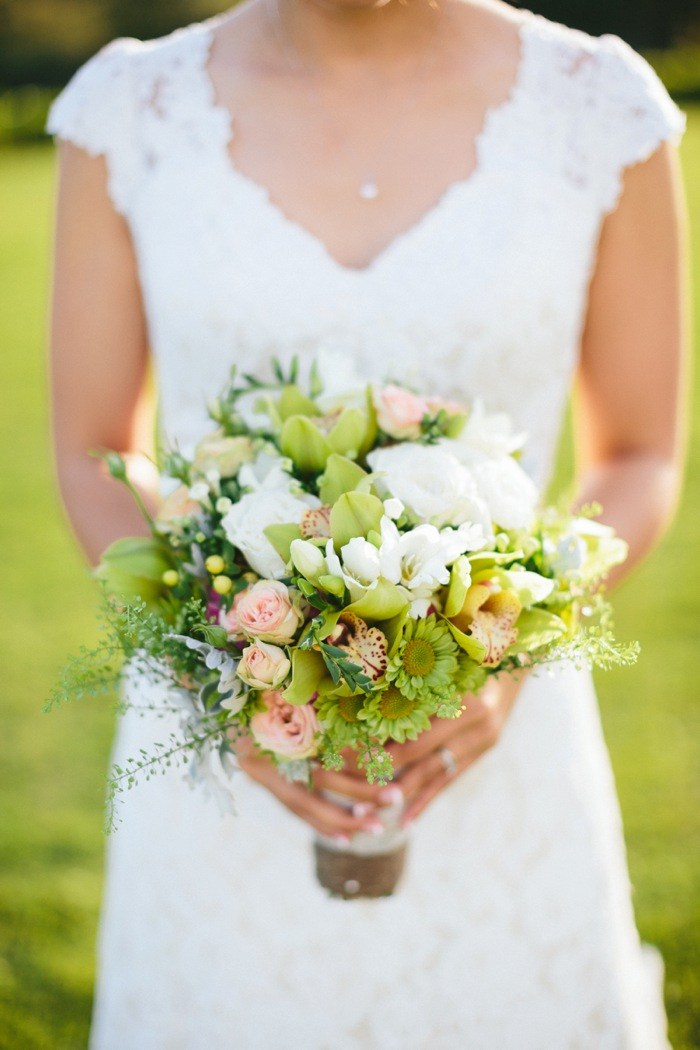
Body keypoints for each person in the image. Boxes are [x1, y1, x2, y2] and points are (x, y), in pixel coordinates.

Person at [46, 0, 688, 1045]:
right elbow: (93, 447)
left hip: (496, 744)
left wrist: (510, 648)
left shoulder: (598, 109)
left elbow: (639, 452)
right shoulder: (129, 110)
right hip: (215, 751)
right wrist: (221, 670)